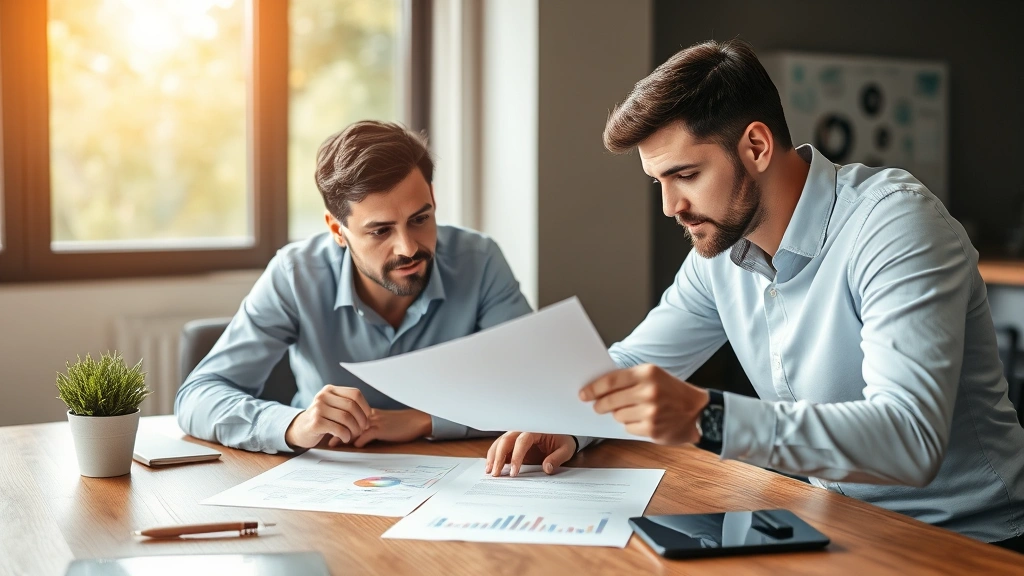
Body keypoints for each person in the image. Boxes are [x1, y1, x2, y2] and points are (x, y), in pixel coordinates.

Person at [485, 39, 1024, 550]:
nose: (671, 206)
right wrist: (569, 424)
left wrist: (708, 417)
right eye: (659, 182)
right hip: (837, 526)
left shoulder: (895, 225)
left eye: (686, 175)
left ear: (757, 147)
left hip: (971, 544)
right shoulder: (721, 253)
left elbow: (910, 439)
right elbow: (635, 365)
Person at [176, 120, 532, 454]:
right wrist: (295, 425)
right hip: (327, 472)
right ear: (337, 230)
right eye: (380, 231)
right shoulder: (296, 275)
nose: (408, 248)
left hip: (461, 467)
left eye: (420, 219)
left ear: (433, 200)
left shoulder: (479, 261)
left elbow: (541, 390)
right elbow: (198, 396)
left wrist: (425, 420)